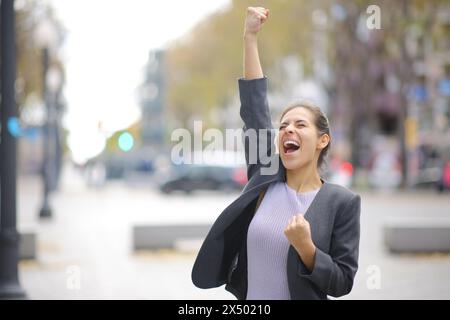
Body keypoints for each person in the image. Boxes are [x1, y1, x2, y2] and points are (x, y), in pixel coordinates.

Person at [192, 6, 361, 300]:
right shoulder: (265, 176)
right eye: (283, 125)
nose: (287, 130)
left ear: (323, 140)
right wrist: (250, 37)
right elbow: (255, 110)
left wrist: (307, 248)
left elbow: (342, 282)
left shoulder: (342, 202)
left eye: (300, 125)